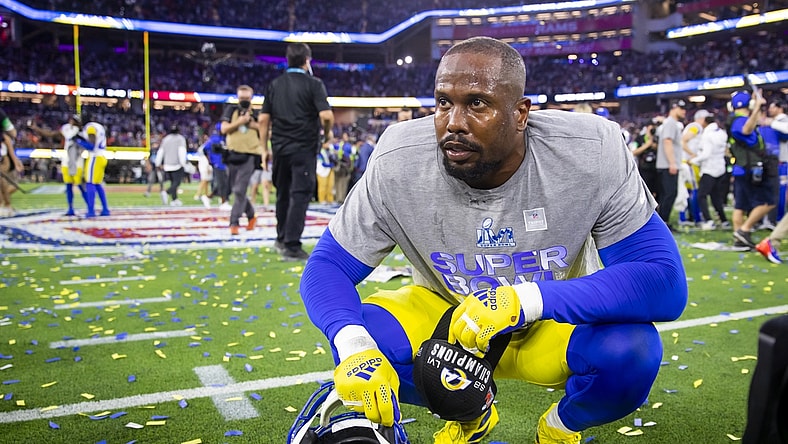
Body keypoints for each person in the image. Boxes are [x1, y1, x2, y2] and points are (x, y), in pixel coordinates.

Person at [299, 37, 687, 444]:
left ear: (521, 113)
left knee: (632, 352)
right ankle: (470, 410)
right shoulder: (400, 157)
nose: (453, 122)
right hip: (448, 319)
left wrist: (525, 300)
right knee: (365, 338)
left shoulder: (590, 151)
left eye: (477, 104)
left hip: (550, 318)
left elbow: (663, 280)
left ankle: (560, 427)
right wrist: (353, 343)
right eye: (443, 102)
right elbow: (328, 265)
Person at [258, 42, 335, 260]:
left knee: (282, 192)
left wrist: (264, 148)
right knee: (300, 194)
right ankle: (292, 245)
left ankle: (281, 238)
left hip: (280, 147)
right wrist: (327, 133)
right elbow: (327, 116)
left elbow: (263, 120)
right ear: (307, 61)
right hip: (304, 146)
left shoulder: (275, 84)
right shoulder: (314, 84)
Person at [728, 90, 775, 249]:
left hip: (742, 168)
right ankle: (744, 230)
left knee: (740, 206)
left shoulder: (734, 119)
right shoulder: (740, 120)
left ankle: (739, 241)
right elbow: (746, 130)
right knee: (769, 201)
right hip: (749, 168)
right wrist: (756, 110)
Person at [29, 114, 88, 216]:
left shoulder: (82, 133)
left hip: (77, 162)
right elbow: (51, 134)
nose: (72, 122)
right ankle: (70, 208)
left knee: (80, 185)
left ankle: (89, 206)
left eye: (75, 120)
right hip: (67, 161)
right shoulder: (67, 129)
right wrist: (36, 129)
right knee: (68, 186)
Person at [221, 85, 261, 235]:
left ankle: (234, 222)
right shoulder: (231, 110)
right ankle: (251, 216)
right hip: (232, 155)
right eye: (241, 98)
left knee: (239, 190)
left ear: (252, 98)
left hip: (250, 155)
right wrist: (240, 122)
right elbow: (224, 129)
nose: (244, 101)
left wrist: (252, 124)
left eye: (247, 98)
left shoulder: (257, 112)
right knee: (236, 191)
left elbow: (266, 131)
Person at [689, 111, 730, 230]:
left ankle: (708, 220)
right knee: (716, 196)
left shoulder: (707, 135)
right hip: (720, 168)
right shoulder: (721, 133)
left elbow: (706, 154)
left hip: (709, 169)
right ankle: (723, 220)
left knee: (701, 195)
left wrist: (694, 160)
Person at [655, 99, 687, 231]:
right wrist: (672, 163)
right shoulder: (671, 123)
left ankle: (662, 222)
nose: (684, 111)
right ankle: (663, 222)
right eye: (682, 108)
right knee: (669, 194)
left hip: (666, 164)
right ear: (674, 108)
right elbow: (667, 142)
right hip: (668, 165)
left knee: (667, 194)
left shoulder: (670, 123)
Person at [75, 117, 110, 217]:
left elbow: (91, 146)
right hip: (101, 156)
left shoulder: (90, 127)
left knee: (90, 183)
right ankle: (105, 209)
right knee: (98, 184)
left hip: (95, 157)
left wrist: (79, 141)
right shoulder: (97, 126)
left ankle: (91, 210)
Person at [155, 124, 191, 206]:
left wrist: (158, 163)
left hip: (167, 165)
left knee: (172, 182)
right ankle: (166, 192)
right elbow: (181, 151)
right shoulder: (180, 139)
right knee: (176, 183)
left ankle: (174, 199)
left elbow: (161, 151)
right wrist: (183, 163)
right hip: (177, 164)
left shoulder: (166, 139)